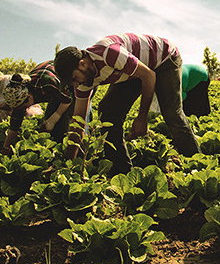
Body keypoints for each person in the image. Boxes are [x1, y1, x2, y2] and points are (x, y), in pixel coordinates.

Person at [54, 35, 201, 174]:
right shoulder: (82, 81)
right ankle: (121, 170)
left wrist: (141, 118)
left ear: (83, 64)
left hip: (164, 59)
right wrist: (69, 164)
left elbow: (148, 76)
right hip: (134, 70)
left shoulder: (109, 54)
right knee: (108, 112)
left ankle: (197, 164)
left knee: (171, 114)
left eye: (74, 78)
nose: (75, 84)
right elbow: (78, 121)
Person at [0, 60, 76, 156]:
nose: (23, 109)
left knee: (70, 118)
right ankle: (56, 146)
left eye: (23, 107)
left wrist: (53, 120)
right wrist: (6, 147)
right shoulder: (20, 99)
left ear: (29, 97)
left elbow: (67, 99)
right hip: (59, 87)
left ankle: (75, 149)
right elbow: (14, 127)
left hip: (77, 78)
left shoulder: (47, 84)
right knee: (49, 120)